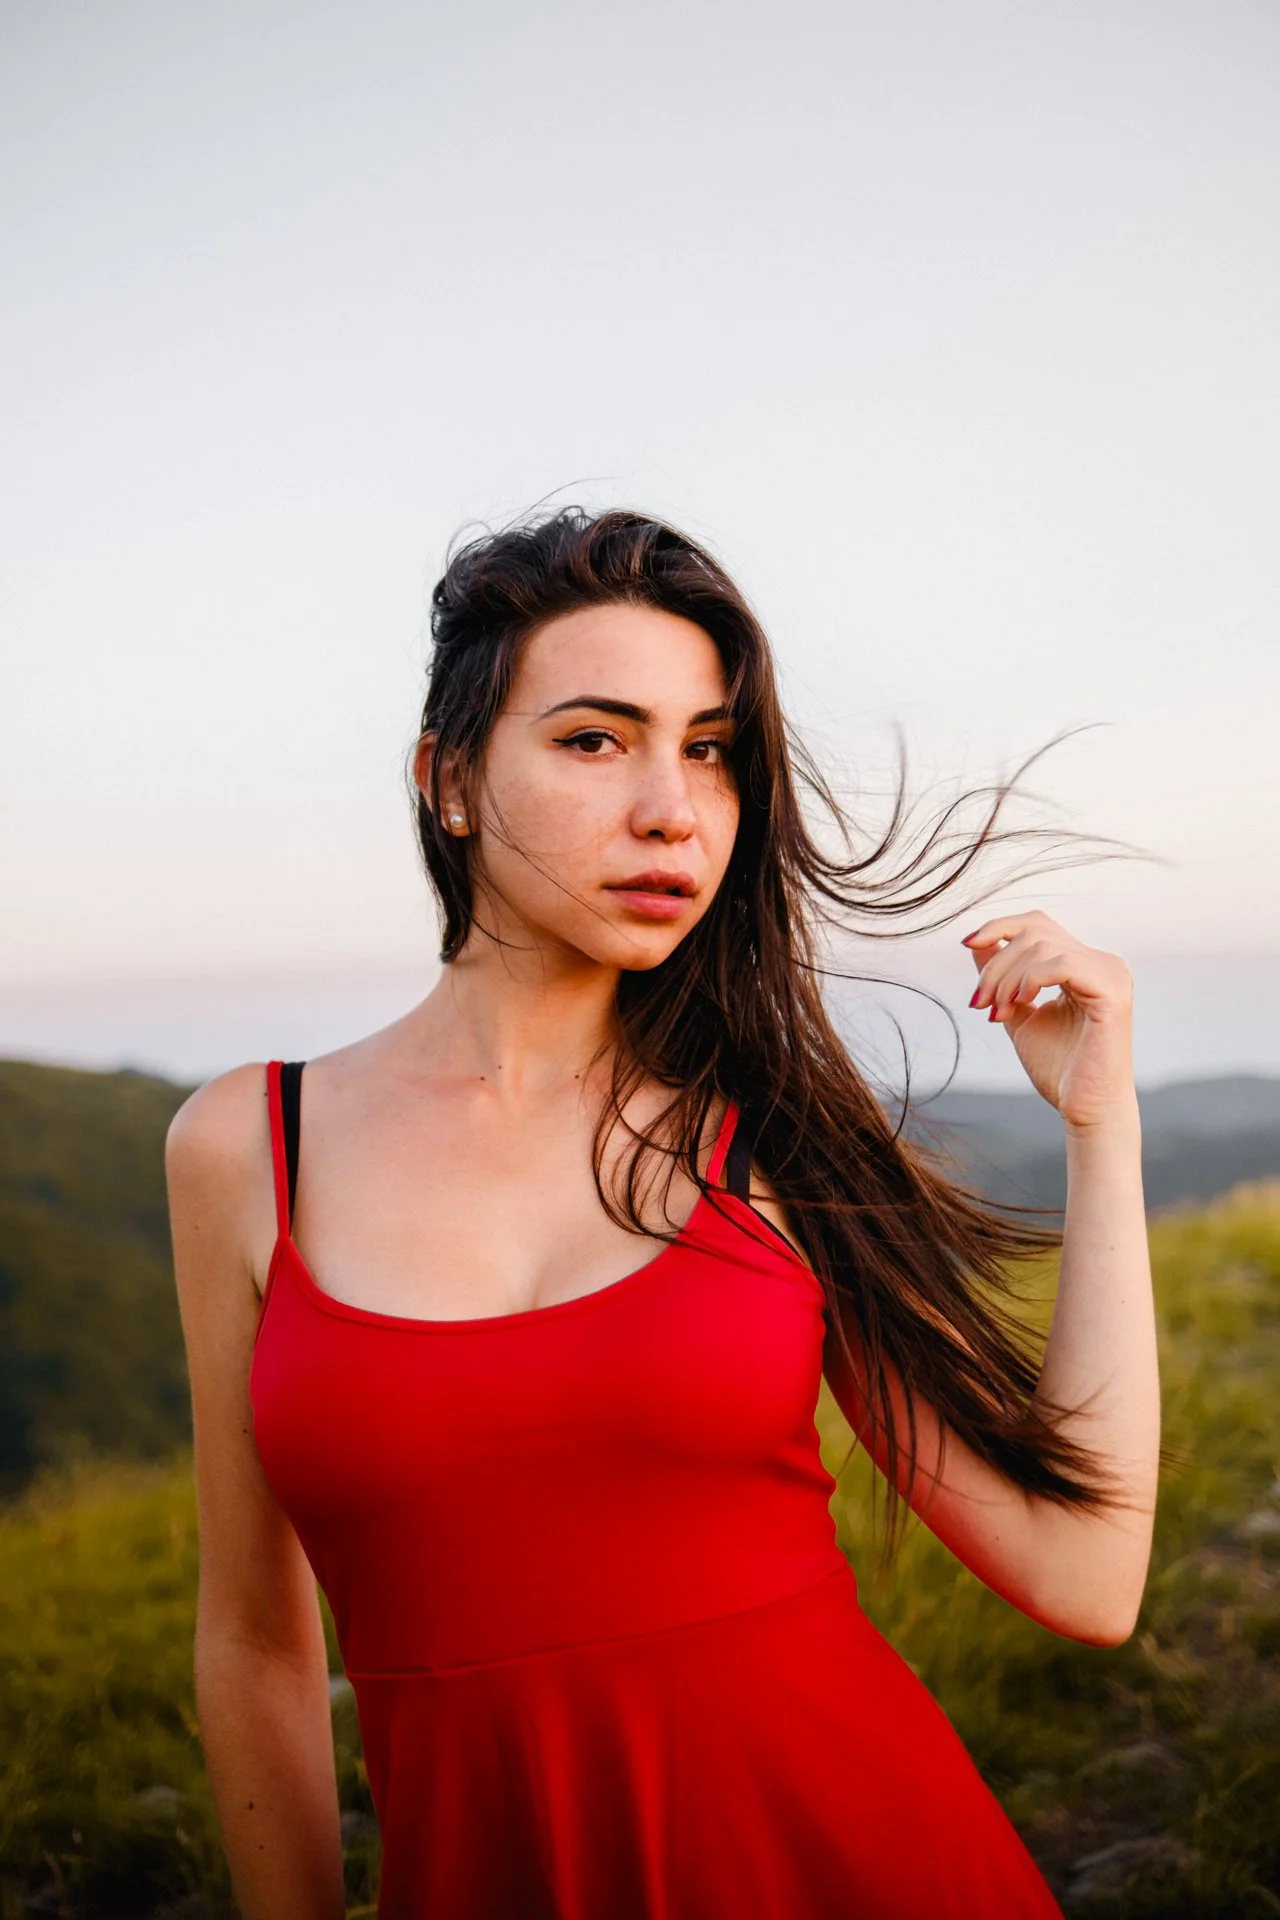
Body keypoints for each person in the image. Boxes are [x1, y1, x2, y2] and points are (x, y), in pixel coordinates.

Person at [165, 505, 1159, 1920]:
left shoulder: (775, 1137)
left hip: (862, 1863)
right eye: (593, 739)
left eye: (709, 751)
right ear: (447, 781)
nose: (671, 810)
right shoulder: (249, 1148)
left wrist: (1100, 1127)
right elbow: (256, 1643)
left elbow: (1087, 1574)